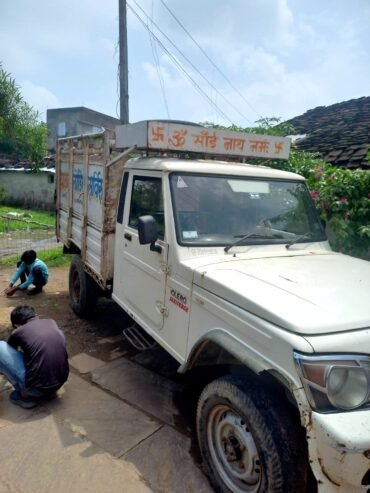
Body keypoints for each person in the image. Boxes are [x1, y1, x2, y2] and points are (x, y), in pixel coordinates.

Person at [0, 305, 69, 409]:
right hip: (59, 382)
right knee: (58, 334)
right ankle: (48, 392)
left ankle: (25, 396)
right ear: (35, 316)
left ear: (16, 324)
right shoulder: (51, 322)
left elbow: (11, 350)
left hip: (36, 390)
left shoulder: (18, 331)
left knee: (1, 346)